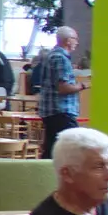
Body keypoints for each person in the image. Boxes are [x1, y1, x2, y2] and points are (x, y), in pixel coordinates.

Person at [36, 25, 84, 157]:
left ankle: (45, 175)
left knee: (52, 150)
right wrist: (84, 85)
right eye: (75, 39)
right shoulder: (60, 58)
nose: (77, 42)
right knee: (72, 149)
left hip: (51, 112)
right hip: (61, 112)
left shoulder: (51, 55)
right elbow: (63, 88)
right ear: (68, 40)